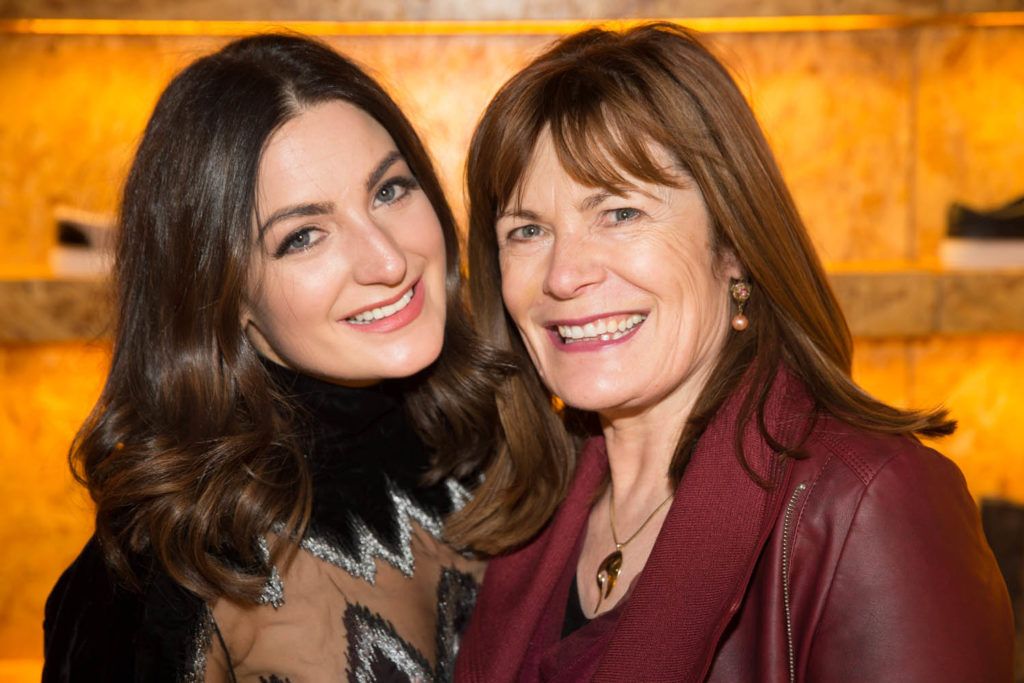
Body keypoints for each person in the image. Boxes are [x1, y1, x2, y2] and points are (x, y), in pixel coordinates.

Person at [451, 23, 1014, 682]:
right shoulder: (527, 506)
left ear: (734, 245)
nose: (563, 274)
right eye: (527, 230)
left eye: (620, 213)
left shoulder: (871, 504)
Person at [43, 33, 505, 682]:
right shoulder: (169, 560)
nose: (389, 260)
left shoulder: (513, 440)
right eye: (303, 236)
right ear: (224, 295)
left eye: (390, 191)